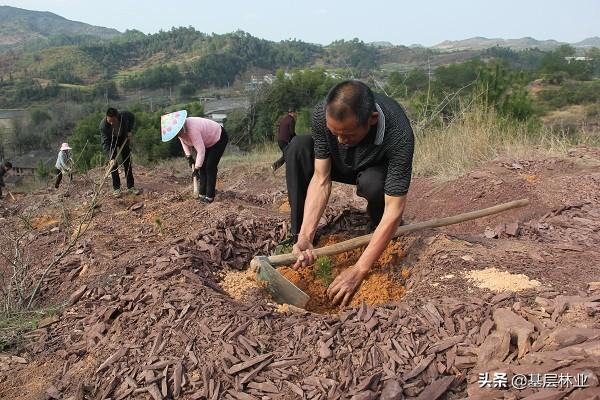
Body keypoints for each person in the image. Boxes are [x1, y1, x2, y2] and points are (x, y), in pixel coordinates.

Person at [285, 80, 414, 307]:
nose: (340, 141)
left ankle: (378, 228)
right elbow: (321, 178)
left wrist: (359, 269)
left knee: (374, 183)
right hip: (340, 165)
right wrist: (305, 234)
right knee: (298, 147)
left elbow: (395, 208)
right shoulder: (322, 114)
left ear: (371, 120)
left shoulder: (399, 134)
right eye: (334, 133)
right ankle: (300, 241)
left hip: (372, 169)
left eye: (348, 134)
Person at [160, 110, 229, 203]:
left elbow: (201, 150)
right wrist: (189, 157)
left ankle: (210, 197)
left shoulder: (192, 129)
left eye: (178, 132)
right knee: (203, 167)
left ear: (180, 126)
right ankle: (202, 194)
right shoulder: (179, 131)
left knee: (209, 166)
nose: (178, 134)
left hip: (218, 137)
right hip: (206, 141)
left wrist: (196, 169)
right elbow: (184, 142)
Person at [100, 107, 139, 197]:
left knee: (127, 162)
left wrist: (129, 130)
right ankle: (117, 188)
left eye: (114, 121)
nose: (112, 123)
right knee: (113, 164)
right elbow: (105, 143)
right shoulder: (103, 126)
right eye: (110, 121)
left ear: (117, 117)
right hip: (111, 142)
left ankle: (131, 186)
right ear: (107, 117)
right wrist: (111, 157)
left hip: (123, 138)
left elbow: (132, 117)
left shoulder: (124, 115)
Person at [271, 107, 297, 173]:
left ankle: (275, 167)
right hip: (285, 141)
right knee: (288, 155)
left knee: (286, 155)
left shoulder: (284, 119)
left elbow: (279, 130)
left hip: (280, 140)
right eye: (295, 113)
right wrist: (296, 139)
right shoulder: (292, 120)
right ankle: (274, 166)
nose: (296, 114)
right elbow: (291, 132)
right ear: (293, 113)